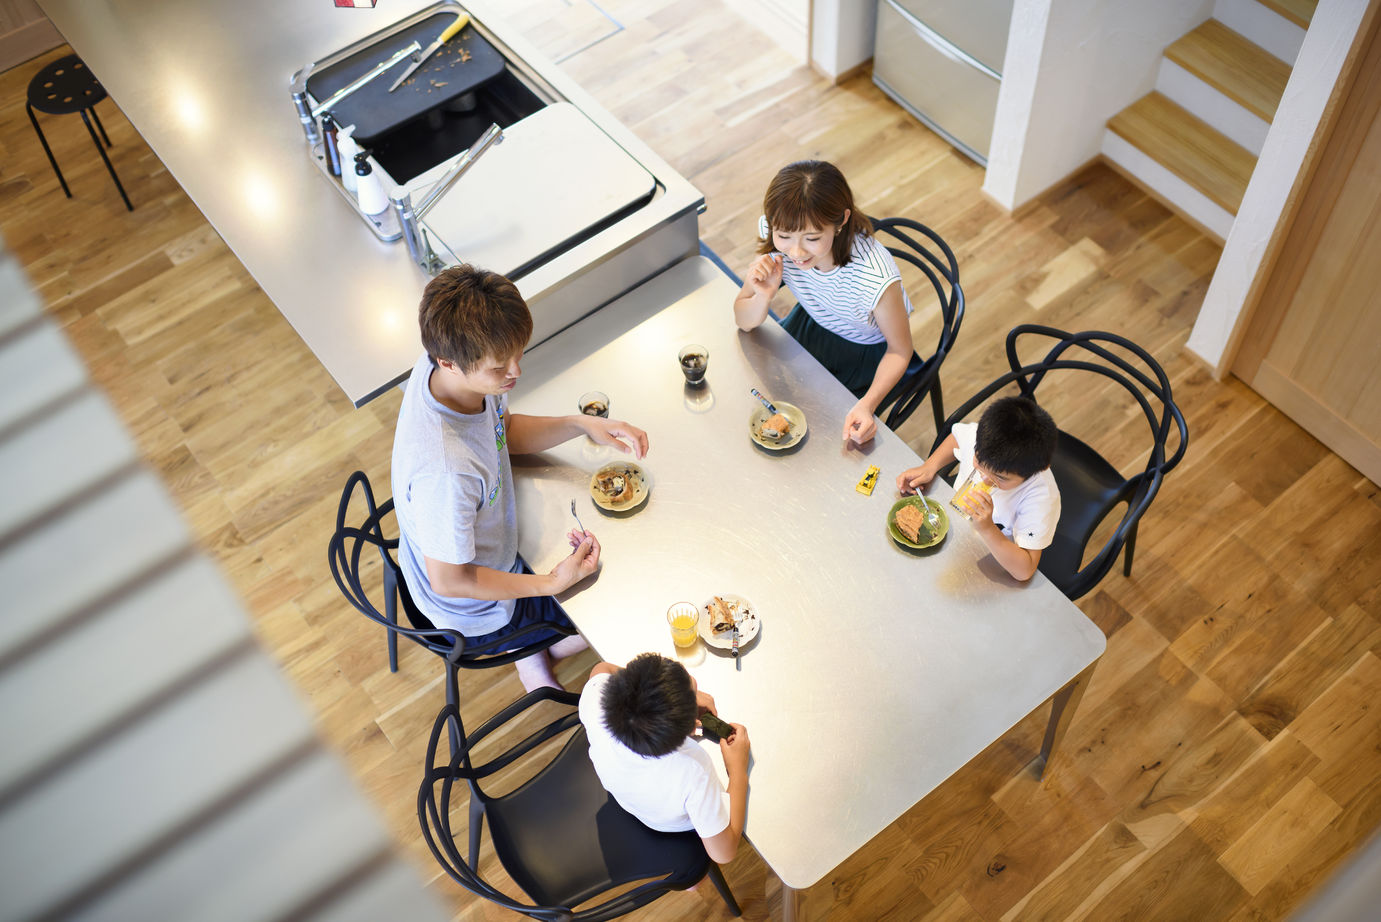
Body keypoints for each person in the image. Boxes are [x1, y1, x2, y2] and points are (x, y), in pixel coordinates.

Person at [391, 264, 649, 691]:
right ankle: (529, 647)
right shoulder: (446, 470)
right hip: (476, 612)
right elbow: (450, 580)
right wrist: (551, 583)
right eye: (499, 368)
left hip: (474, 549)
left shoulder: (451, 367)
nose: (515, 372)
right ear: (448, 363)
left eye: (519, 354)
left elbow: (503, 430)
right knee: (617, 605)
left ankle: (532, 648)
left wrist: (581, 424)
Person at [733, 160, 915, 446]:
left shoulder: (875, 277)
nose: (795, 252)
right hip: (813, 318)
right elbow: (742, 319)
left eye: (812, 238)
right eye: (784, 236)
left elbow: (901, 350)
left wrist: (867, 405)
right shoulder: (777, 227)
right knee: (761, 395)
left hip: (864, 351)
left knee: (820, 434)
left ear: (841, 221)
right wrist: (763, 295)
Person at [580, 655, 751, 864]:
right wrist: (737, 770)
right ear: (691, 728)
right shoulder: (693, 772)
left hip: (627, 794)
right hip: (669, 824)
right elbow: (724, 854)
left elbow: (601, 667)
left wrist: (676, 701)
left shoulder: (596, 698)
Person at [896, 396, 1060, 581]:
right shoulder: (983, 439)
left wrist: (988, 528)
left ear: (1040, 469)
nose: (985, 478)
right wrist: (930, 466)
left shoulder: (1041, 497)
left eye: (1000, 478)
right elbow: (957, 438)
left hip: (992, 557)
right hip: (954, 532)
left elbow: (1025, 570)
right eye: (979, 462)